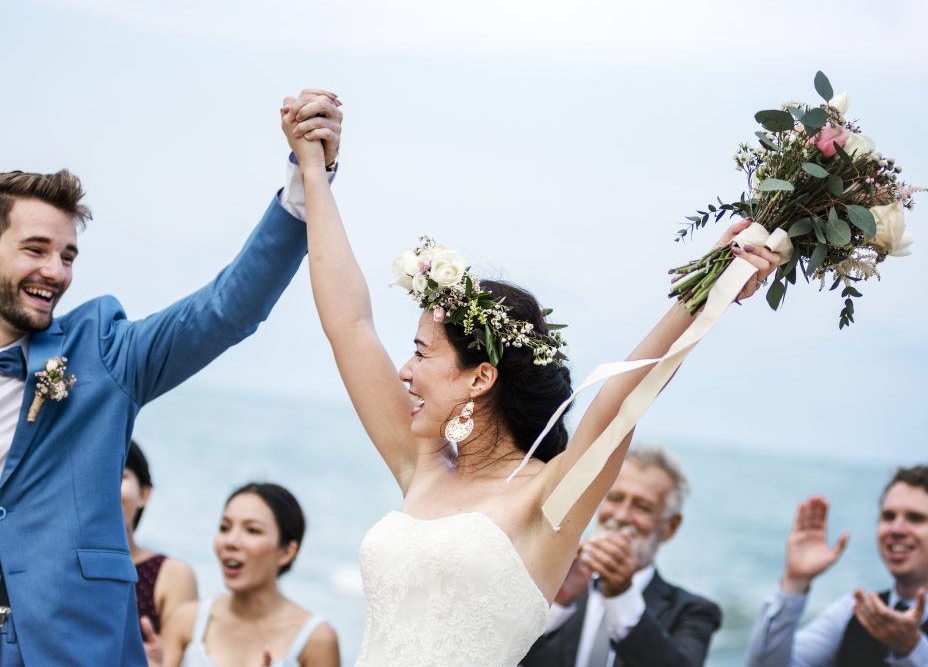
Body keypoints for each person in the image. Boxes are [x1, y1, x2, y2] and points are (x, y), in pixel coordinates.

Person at [281, 91, 781, 666]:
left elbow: (621, 401)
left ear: (480, 378)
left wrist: (708, 287)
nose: (404, 372)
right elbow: (349, 325)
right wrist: (314, 172)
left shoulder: (547, 498)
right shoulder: (420, 464)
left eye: (422, 354)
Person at [0, 91, 342, 667]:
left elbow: (225, 309)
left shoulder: (104, 354)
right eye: (36, 250)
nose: (55, 272)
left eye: (67, 255)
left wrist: (305, 177)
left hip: (81, 650)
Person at [521, 443, 721, 667]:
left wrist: (622, 596)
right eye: (615, 498)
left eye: (642, 507)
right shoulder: (555, 589)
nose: (622, 516)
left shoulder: (693, 612)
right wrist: (557, 604)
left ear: (670, 527)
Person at [745, 465, 928, 667]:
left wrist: (913, 649)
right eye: (888, 516)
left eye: (916, 518)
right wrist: (795, 582)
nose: (896, 529)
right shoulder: (853, 612)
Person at [162, 482, 339, 667]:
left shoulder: (316, 639)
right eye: (224, 527)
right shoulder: (186, 621)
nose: (231, 541)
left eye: (252, 530)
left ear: (287, 552)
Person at [123, 440, 198, 635]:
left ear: (144, 493)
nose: (105, 489)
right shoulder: (57, 567)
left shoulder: (171, 575)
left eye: (120, 475)